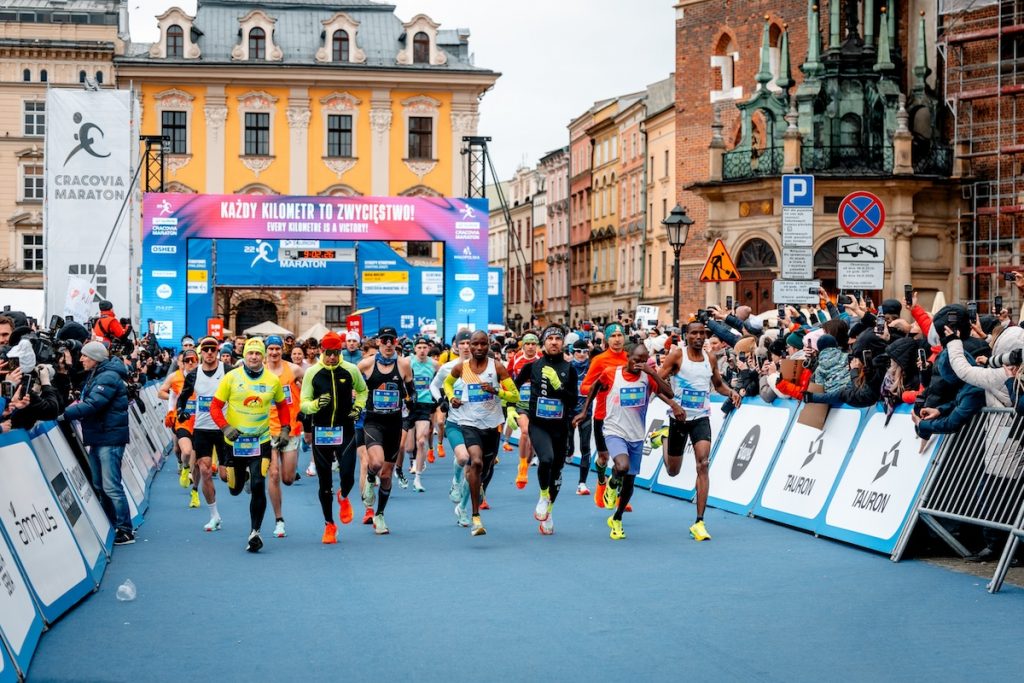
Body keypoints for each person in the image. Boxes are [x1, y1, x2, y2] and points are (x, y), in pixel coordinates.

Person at [576, 345, 679, 539]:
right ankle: (612, 484)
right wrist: (584, 411)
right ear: (627, 357)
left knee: (629, 483)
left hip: (636, 435)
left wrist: (653, 373)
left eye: (643, 361)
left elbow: (669, 393)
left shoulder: (647, 377)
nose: (639, 364)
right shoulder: (611, 373)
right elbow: (595, 386)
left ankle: (617, 518)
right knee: (622, 466)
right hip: (614, 430)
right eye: (636, 360)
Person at [658, 319, 741, 542]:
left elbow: (718, 384)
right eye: (694, 333)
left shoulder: (710, 358)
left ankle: (699, 522)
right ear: (686, 336)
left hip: (701, 418)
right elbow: (656, 383)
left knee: (703, 464)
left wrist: (731, 392)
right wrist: (674, 405)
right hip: (678, 418)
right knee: (673, 471)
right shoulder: (677, 356)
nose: (698, 337)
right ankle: (664, 438)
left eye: (702, 333)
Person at [209, 338, 291, 553]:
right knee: (234, 489)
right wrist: (225, 427)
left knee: (258, 483)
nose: (254, 357)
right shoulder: (231, 377)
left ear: (263, 356)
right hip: (234, 442)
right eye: (250, 353)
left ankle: (255, 532)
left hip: (260, 441)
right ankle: (241, 478)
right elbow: (215, 407)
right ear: (244, 355)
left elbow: (283, 406)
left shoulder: (272, 380)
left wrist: (285, 429)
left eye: (257, 353)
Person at [443, 330, 518, 535]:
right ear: (470, 346)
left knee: (485, 467)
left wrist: (496, 391)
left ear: (488, 345)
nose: (478, 348)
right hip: (469, 423)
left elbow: (515, 395)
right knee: (475, 461)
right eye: (474, 344)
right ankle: (476, 517)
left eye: (483, 344)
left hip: (492, 425)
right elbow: (447, 384)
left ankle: (477, 488)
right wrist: (451, 398)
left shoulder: (497, 367)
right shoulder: (462, 367)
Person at [60, 341, 134, 545]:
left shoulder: (107, 377)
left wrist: (63, 414)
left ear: (95, 358)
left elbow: (93, 404)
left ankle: (125, 530)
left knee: (111, 487)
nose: (81, 359)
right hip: (101, 436)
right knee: (100, 485)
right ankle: (112, 524)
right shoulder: (99, 374)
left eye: (85, 355)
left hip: (109, 439)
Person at [300, 331, 367, 544]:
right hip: (321, 431)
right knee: (325, 482)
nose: (331, 357)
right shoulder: (312, 372)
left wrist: (357, 409)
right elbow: (304, 403)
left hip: (345, 430)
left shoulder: (350, 369)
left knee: (348, 476)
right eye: (328, 353)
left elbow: (363, 391)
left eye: (336, 353)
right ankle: (329, 525)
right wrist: (315, 405)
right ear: (322, 351)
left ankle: (343, 496)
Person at [514, 326, 578, 535]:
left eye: (558, 339)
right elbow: (512, 388)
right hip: (538, 424)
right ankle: (543, 495)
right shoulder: (532, 366)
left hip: (560, 426)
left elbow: (573, 401)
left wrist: (559, 386)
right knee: (547, 459)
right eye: (550, 338)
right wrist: (511, 410)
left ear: (563, 343)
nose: (554, 342)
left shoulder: (570, 369)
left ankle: (548, 512)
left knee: (557, 471)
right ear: (544, 343)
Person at [357, 326, 415, 535]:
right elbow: (352, 385)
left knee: (387, 475)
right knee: (376, 463)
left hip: (394, 422)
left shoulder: (404, 365)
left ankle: (380, 514)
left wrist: (411, 402)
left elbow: (412, 392)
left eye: (392, 340)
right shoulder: (366, 364)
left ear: (396, 342)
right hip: (373, 421)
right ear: (378, 342)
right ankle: (370, 478)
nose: (388, 344)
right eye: (384, 340)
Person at [176, 336, 229, 531]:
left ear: (217, 351)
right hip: (202, 428)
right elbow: (182, 398)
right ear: (201, 352)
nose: (209, 352)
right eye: (206, 349)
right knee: (205, 470)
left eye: (213, 349)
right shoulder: (193, 375)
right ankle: (214, 515)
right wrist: (181, 411)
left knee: (225, 476)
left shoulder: (228, 371)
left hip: (224, 428)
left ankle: (242, 477)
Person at [578, 323, 630, 508]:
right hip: (603, 415)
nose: (617, 339)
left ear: (624, 337)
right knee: (604, 458)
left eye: (619, 335)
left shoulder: (629, 358)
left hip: (626, 416)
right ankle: (601, 481)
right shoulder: (600, 360)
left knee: (623, 459)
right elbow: (584, 387)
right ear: (607, 339)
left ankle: (619, 496)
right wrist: (601, 387)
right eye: (612, 336)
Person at [430, 331, 474, 526]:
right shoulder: (448, 367)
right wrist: (441, 400)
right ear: (455, 346)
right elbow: (433, 386)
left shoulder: (483, 367)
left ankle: (462, 508)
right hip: (456, 422)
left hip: (477, 424)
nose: (465, 346)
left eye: (469, 343)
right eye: (461, 343)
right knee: (463, 458)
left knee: (474, 470)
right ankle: (456, 480)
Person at [264, 335, 306, 539]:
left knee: (287, 479)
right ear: (266, 351)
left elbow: (310, 384)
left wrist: (304, 397)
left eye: (277, 349)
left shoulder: (294, 369)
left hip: (289, 428)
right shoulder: (259, 370)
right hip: (267, 428)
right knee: (273, 474)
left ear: (282, 350)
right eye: (270, 349)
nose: (274, 352)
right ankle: (279, 519)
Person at [161, 349, 200, 508]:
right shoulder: (174, 377)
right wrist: (173, 409)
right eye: (187, 361)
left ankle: (195, 492)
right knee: (184, 451)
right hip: (182, 421)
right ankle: (184, 466)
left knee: (197, 462)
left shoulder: (204, 377)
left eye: (193, 360)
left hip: (200, 422)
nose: (190, 363)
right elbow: (165, 395)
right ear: (182, 363)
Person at [404, 337, 439, 492]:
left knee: (421, 441)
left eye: (425, 347)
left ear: (428, 349)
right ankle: (413, 460)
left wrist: (440, 397)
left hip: (425, 405)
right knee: (408, 447)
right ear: (415, 349)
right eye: (419, 347)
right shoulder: (407, 362)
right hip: (409, 405)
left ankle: (417, 478)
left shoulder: (434, 364)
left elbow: (442, 380)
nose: (422, 350)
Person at [507, 332, 541, 487]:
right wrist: (508, 398)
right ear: (523, 346)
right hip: (521, 404)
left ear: (537, 346)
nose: (530, 347)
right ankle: (521, 465)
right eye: (527, 344)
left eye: (533, 344)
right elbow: (507, 378)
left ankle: (526, 464)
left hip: (537, 405)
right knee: (525, 431)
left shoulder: (542, 359)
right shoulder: (516, 359)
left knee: (533, 442)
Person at [568, 339, 593, 495]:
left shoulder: (592, 367)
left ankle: (582, 483)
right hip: (569, 413)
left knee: (585, 447)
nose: (582, 354)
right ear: (573, 352)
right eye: (578, 351)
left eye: (585, 351)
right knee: (568, 447)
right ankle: (569, 451)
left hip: (586, 412)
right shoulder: (567, 367)